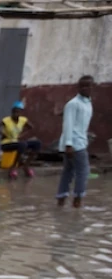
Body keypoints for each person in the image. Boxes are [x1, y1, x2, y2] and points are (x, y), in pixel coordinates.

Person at [56, 75, 94, 208]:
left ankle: (61, 199)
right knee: (83, 171)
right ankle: (77, 199)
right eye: (82, 85)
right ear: (78, 87)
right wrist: (68, 145)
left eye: (88, 86)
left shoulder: (88, 103)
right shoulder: (73, 104)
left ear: (92, 87)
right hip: (74, 144)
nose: (85, 88)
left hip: (80, 141)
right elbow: (68, 125)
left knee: (68, 171)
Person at [0, 102, 41, 179]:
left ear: (21, 113)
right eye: (14, 112)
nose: (16, 114)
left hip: (16, 142)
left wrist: (22, 135)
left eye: (18, 112)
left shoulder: (23, 120)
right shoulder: (6, 120)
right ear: (12, 112)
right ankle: (13, 167)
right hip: (6, 143)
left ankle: (26, 166)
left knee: (37, 143)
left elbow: (31, 127)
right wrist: (2, 134)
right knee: (23, 144)